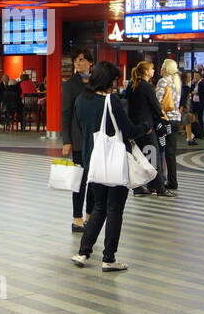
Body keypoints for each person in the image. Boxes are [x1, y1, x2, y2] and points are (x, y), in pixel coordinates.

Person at [71, 60, 148, 272]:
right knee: (115, 210)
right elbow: (128, 130)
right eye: (114, 80)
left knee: (98, 208)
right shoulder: (110, 101)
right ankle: (109, 258)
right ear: (107, 80)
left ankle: (83, 252)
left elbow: (82, 127)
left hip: (94, 160)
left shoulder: (80, 101)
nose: (116, 84)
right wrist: (147, 127)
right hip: (113, 163)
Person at [60, 48, 94, 232]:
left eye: (81, 60)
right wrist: (66, 140)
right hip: (79, 139)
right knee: (80, 180)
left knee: (95, 179)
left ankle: (90, 215)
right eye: (76, 61)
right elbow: (65, 113)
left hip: (97, 138)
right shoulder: (70, 84)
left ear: (90, 62)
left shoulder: (98, 81)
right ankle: (77, 218)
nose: (78, 63)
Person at [127, 60, 169, 198]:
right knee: (152, 156)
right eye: (151, 69)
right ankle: (158, 188)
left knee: (138, 157)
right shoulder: (147, 87)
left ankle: (138, 187)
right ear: (146, 72)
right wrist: (162, 119)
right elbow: (155, 106)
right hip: (147, 127)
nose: (153, 71)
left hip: (134, 126)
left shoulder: (131, 86)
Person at [154, 58, 182, 192]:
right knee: (171, 152)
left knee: (161, 150)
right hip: (176, 120)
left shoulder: (163, 81)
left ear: (164, 69)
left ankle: (161, 179)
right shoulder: (177, 82)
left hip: (166, 120)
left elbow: (157, 101)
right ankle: (173, 180)